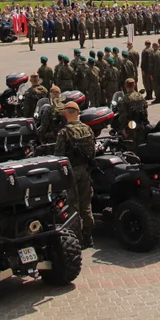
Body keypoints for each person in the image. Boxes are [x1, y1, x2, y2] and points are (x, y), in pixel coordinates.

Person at [53, 101, 95, 248]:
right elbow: (92, 152)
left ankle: (77, 238)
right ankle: (89, 236)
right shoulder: (88, 129)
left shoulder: (64, 132)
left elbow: (59, 156)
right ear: (78, 113)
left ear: (65, 114)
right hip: (85, 170)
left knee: (73, 205)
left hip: (71, 172)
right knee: (86, 204)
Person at [119, 78, 149, 145]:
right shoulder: (140, 96)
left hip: (131, 126)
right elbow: (145, 109)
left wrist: (123, 129)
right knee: (141, 144)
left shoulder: (125, 98)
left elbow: (123, 115)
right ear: (134, 85)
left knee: (131, 145)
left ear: (125, 86)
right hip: (141, 124)